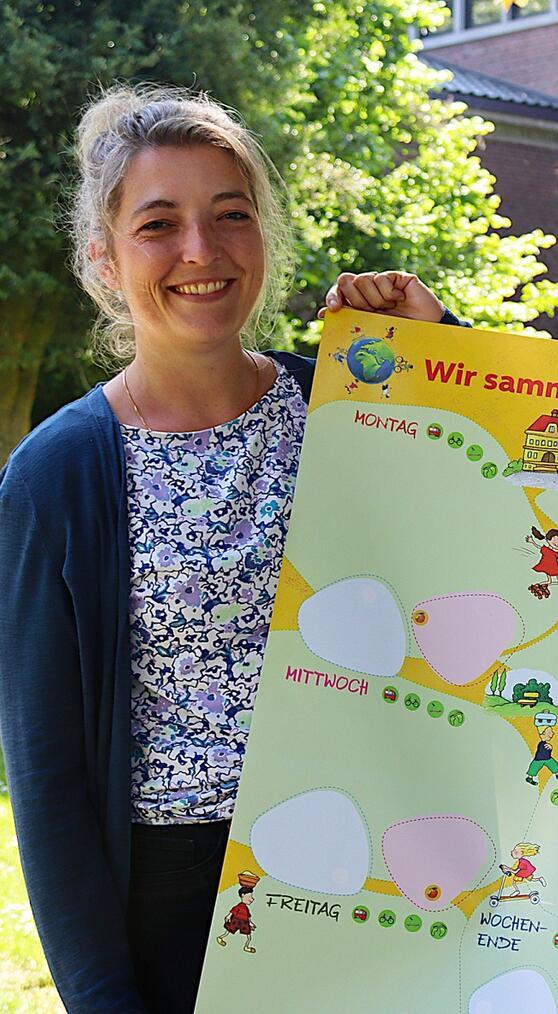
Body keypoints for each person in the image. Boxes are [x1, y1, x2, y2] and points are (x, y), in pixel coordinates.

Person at [0, 84, 465, 1013]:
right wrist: (103, 997)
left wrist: (440, 356)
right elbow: (45, 778)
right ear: (103, 256)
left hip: (378, 885)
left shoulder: (347, 408)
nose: (200, 253)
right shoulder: (55, 476)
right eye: (158, 225)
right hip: (175, 921)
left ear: (265, 236)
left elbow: (500, 529)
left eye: (230, 216)